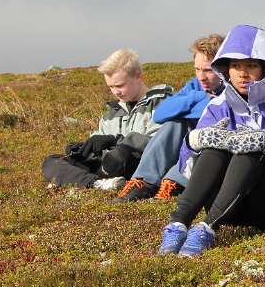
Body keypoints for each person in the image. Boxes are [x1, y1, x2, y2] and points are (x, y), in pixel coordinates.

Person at [157, 25, 265, 258]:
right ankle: (178, 225)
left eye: (251, 65)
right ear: (226, 69)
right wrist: (194, 142)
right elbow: (189, 172)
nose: (242, 73)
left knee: (253, 149)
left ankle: (207, 227)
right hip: (233, 211)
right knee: (212, 148)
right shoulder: (217, 105)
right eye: (235, 66)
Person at [114, 34, 225, 203]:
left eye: (208, 70)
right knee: (175, 122)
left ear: (224, 67)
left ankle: (173, 182)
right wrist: (200, 96)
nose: (201, 76)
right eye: (197, 69)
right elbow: (160, 114)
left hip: (214, 145)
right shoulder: (195, 86)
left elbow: (213, 111)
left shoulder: (234, 87)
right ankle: (144, 181)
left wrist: (185, 107)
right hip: (188, 142)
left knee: (192, 124)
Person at [42, 49, 172, 190]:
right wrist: (83, 148)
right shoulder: (113, 111)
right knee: (51, 161)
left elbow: (160, 142)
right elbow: (100, 143)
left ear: (138, 76)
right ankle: (99, 184)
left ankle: (76, 181)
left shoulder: (162, 103)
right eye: (111, 86)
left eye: (120, 85)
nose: (115, 92)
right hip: (108, 165)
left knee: (120, 155)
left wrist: (115, 140)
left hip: (138, 163)